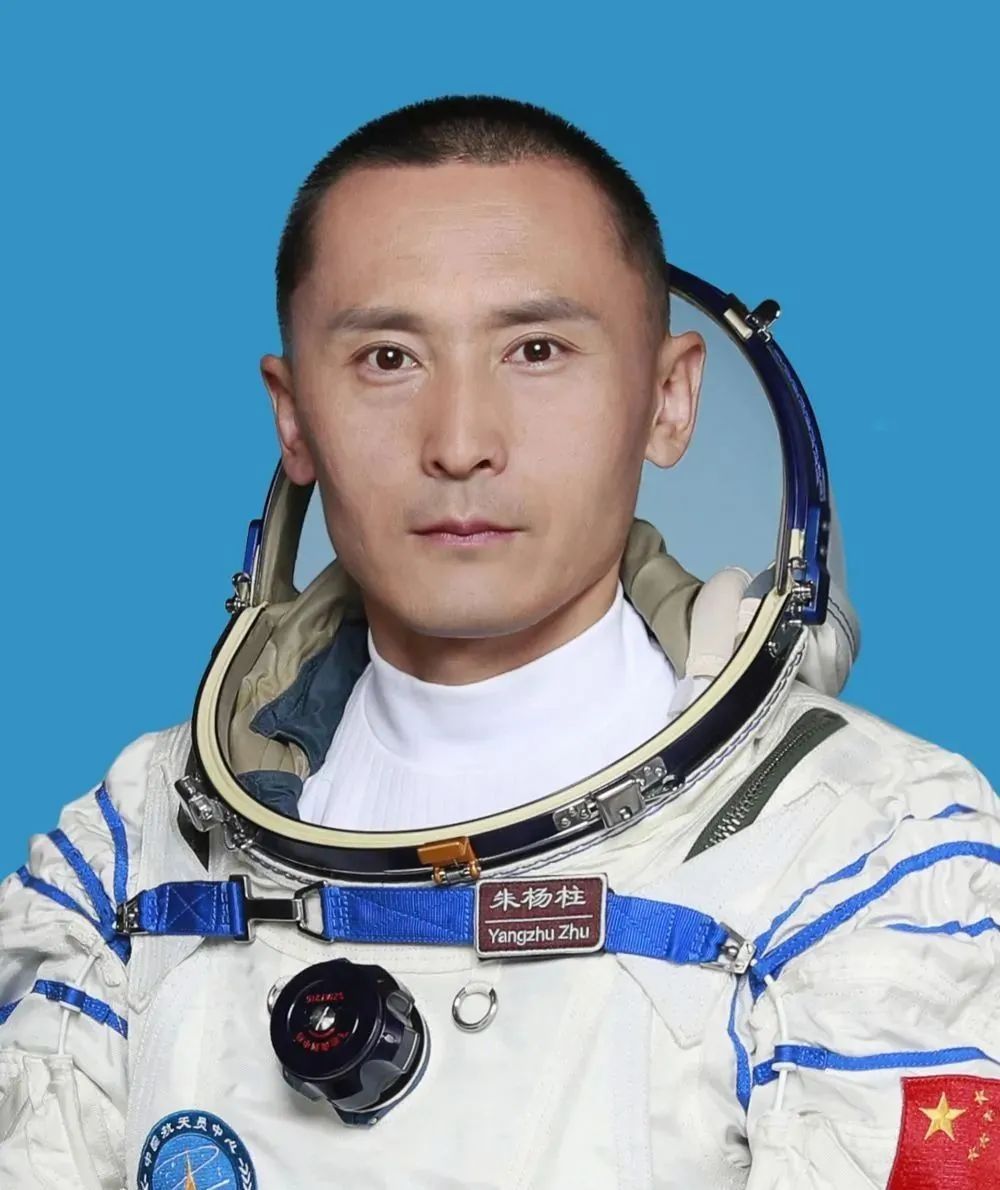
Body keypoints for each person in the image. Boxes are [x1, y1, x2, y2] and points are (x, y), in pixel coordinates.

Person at [1, 95, 996, 1190]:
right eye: (388, 357)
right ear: (293, 417)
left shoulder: (866, 853)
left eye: (536, 349)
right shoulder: (137, 846)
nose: (461, 442)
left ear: (668, 400)